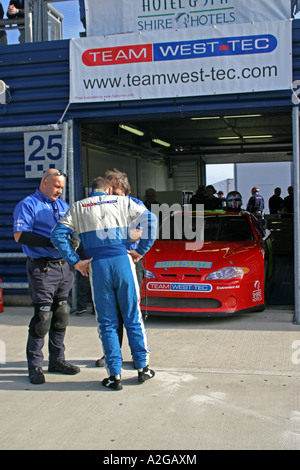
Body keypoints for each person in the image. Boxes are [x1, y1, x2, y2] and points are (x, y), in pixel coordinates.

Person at [51, 176, 157, 391]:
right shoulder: (125, 202)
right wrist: (140, 250)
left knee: (107, 323)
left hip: (96, 265)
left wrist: (76, 262)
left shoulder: (78, 207)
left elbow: (57, 235)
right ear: (109, 189)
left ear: (92, 191)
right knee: (132, 316)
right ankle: (143, 369)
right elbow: (151, 221)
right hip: (123, 261)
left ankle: (114, 376)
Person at [13, 169, 80, 385]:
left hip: (63, 268)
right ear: (44, 182)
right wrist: (51, 241)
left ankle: (57, 360)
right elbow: (20, 235)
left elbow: (72, 229)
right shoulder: (28, 204)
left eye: (62, 187)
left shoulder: (63, 205)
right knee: (42, 319)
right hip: (42, 269)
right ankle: (35, 365)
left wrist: (75, 239)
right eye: (56, 186)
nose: (60, 190)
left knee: (61, 314)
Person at [93, 168, 146, 368]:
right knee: (109, 314)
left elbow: (140, 232)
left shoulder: (135, 205)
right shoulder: (98, 206)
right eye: (109, 190)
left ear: (124, 189)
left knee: (130, 313)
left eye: (114, 191)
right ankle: (111, 355)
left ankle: (138, 356)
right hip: (105, 265)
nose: (111, 194)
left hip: (129, 263)